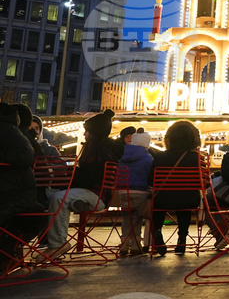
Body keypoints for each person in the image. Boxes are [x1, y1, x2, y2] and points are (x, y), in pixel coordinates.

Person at [37, 109, 124, 261]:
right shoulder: (105, 151)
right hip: (99, 194)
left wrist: (70, 173)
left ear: (94, 133)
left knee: (58, 198)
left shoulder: (99, 153)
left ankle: (57, 243)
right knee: (56, 197)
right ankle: (53, 242)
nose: (84, 134)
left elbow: (88, 179)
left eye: (87, 131)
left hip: (97, 196)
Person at [148, 120, 202, 256]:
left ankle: (157, 231)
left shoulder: (160, 156)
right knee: (185, 204)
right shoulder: (197, 158)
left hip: (164, 199)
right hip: (190, 200)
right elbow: (204, 183)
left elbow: (150, 180)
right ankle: (182, 238)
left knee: (158, 202)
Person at [0, 103, 43, 273]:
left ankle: (7, 256)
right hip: (19, 194)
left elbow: (25, 155)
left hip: (15, 196)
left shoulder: (8, 131)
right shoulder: (12, 131)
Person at [118, 126, 153, 256]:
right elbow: (151, 175)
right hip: (140, 191)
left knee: (127, 218)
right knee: (137, 218)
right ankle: (136, 245)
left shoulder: (122, 155)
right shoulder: (147, 157)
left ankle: (124, 244)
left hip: (124, 191)